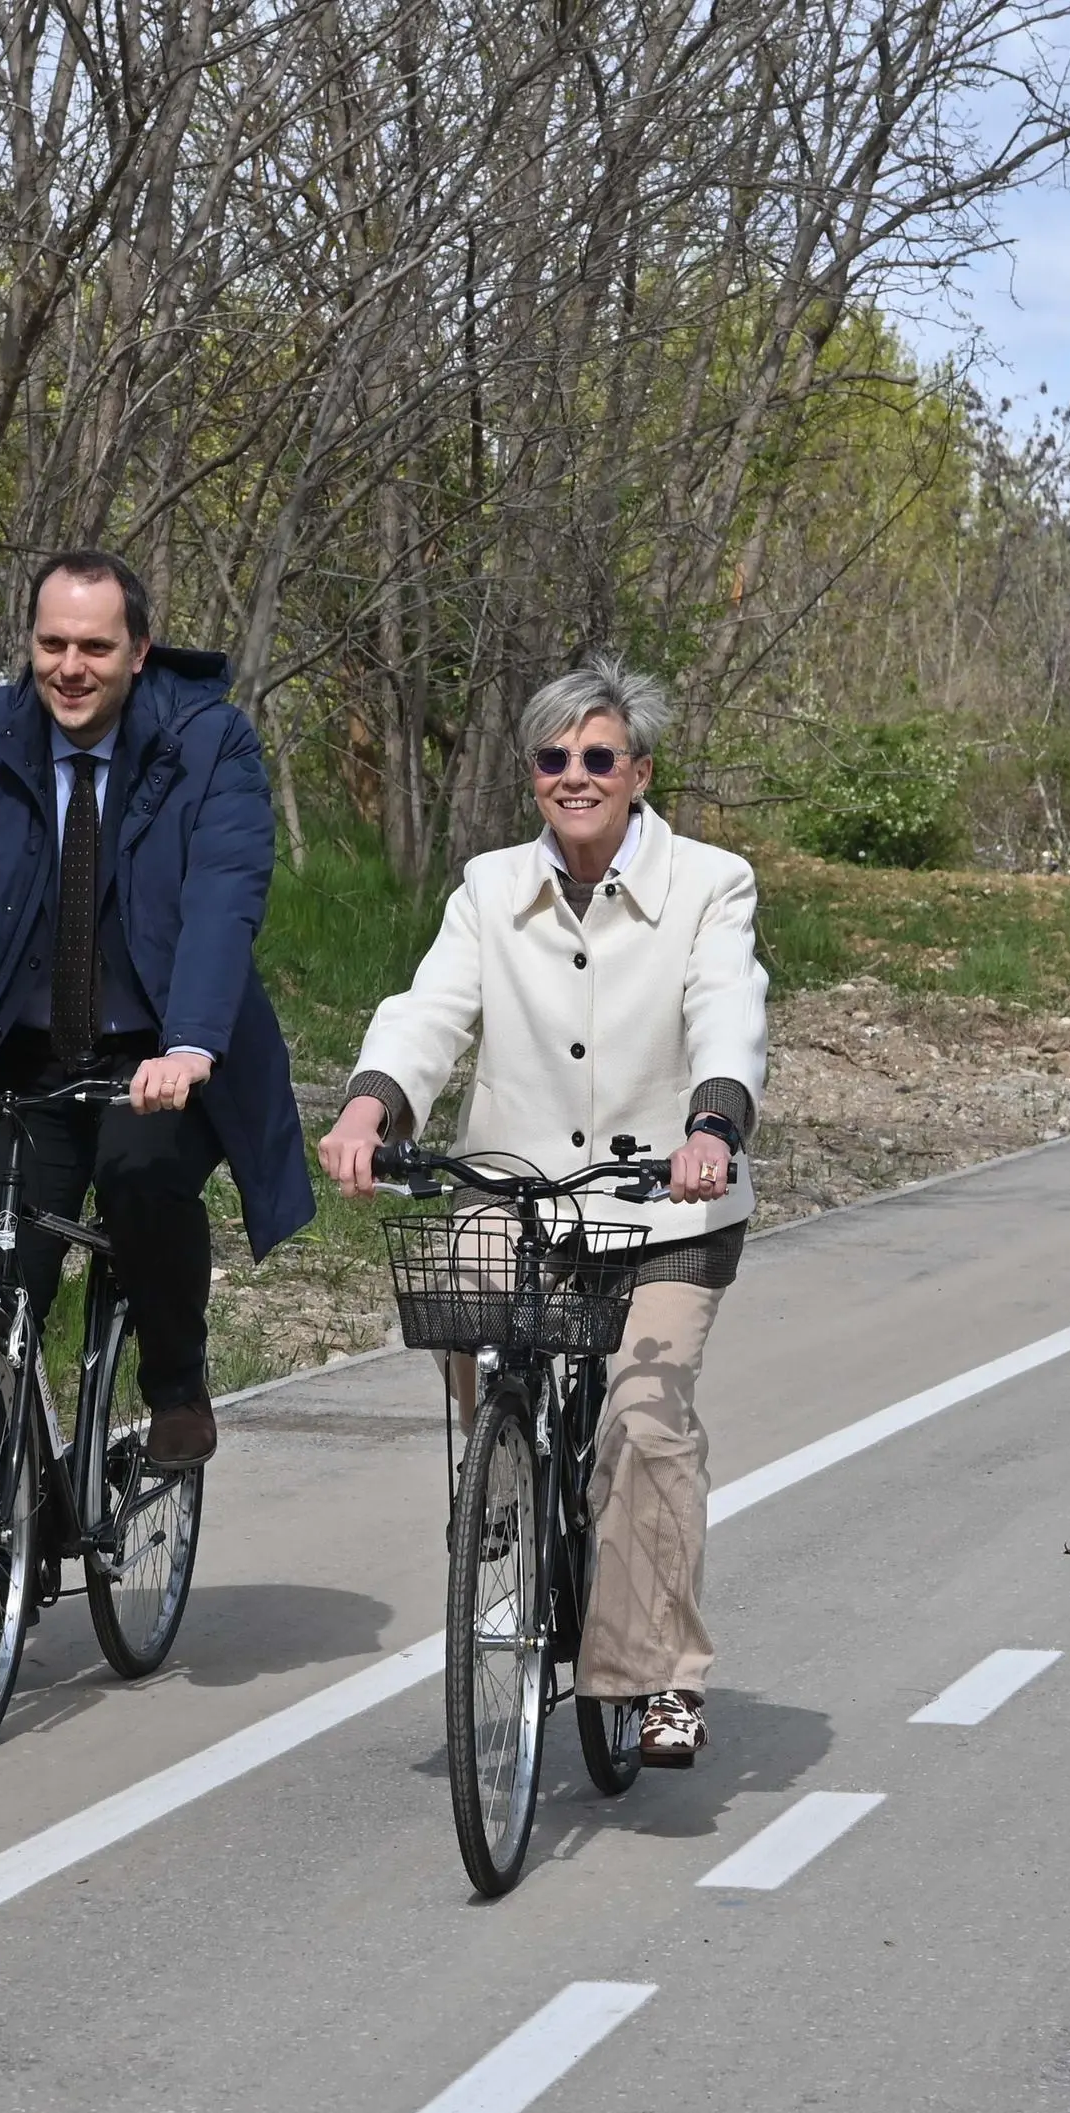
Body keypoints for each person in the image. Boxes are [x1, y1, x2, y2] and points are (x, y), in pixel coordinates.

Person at [319, 658, 768, 1770]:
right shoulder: (487, 887)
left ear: (639, 772)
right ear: (533, 775)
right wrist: (373, 1106)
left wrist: (712, 1125)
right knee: (455, 1290)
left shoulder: (712, 881)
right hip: (521, 1197)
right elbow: (430, 1008)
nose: (576, 777)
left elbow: (727, 1008)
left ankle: (660, 1677)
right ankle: (496, 1472)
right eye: (553, 759)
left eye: (599, 758)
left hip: (670, 1209)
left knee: (644, 1422)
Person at [0, 549, 315, 1469]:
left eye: (95, 645)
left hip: (159, 1056)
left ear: (139, 650)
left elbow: (223, 896)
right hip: (13, 1056)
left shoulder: (208, 742)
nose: (70, 667)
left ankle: (174, 1379)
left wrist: (195, 1044)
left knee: (140, 1177)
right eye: (51, 643)